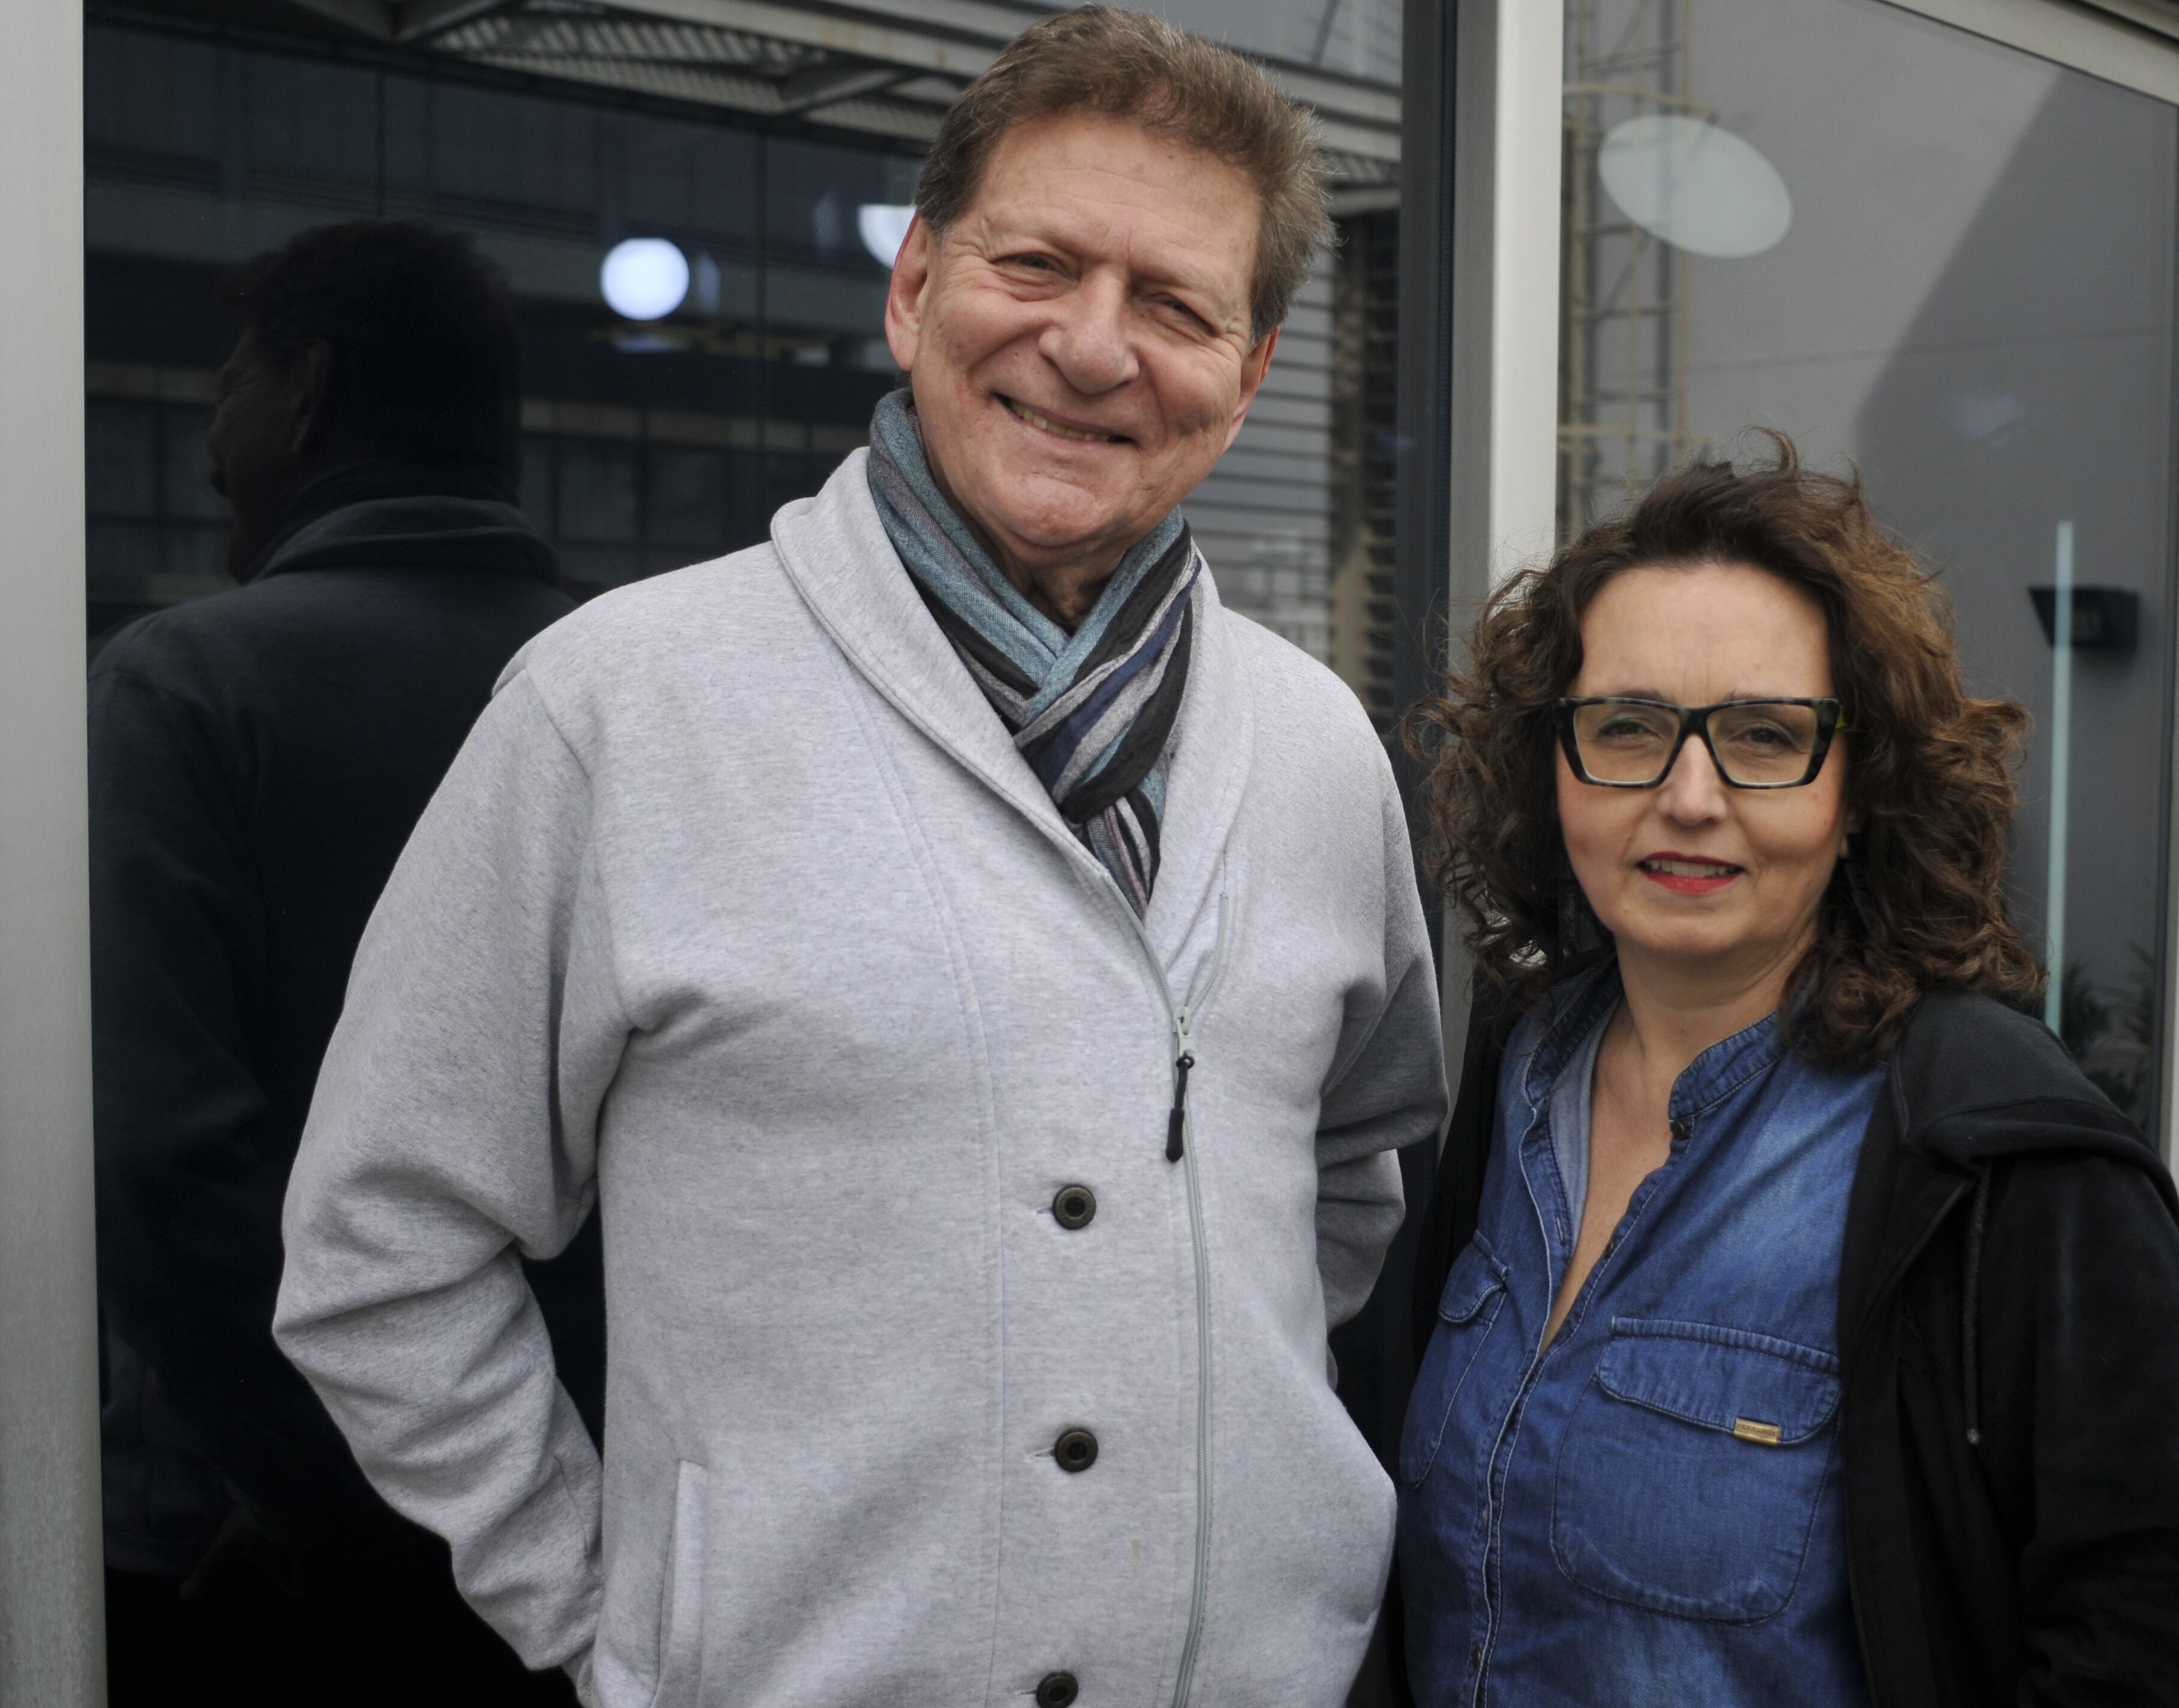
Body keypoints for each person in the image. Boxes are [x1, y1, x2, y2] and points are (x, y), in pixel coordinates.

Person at [271, 11, 1447, 1707]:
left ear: (1249, 373)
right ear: (913, 289)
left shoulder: (1323, 750)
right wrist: (610, 1621)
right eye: (1037, 263)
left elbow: (1347, 1179)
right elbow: (384, 1246)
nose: (1095, 347)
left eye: (1177, 305)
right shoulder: (622, 707)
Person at [1393, 449, 2179, 1706]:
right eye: (1626, 725)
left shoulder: (1985, 1148)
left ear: (1859, 787)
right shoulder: (1519, 1070)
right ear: (1548, 765)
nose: (1687, 796)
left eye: (1763, 736)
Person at [89, 219, 589, 1704]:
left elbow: (165, 1161)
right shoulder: (637, 698)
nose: (207, 446)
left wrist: (336, 1505)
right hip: (587, 1528)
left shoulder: (184, 690)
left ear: (305, 393)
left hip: (246, 1542)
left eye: (227, 384)